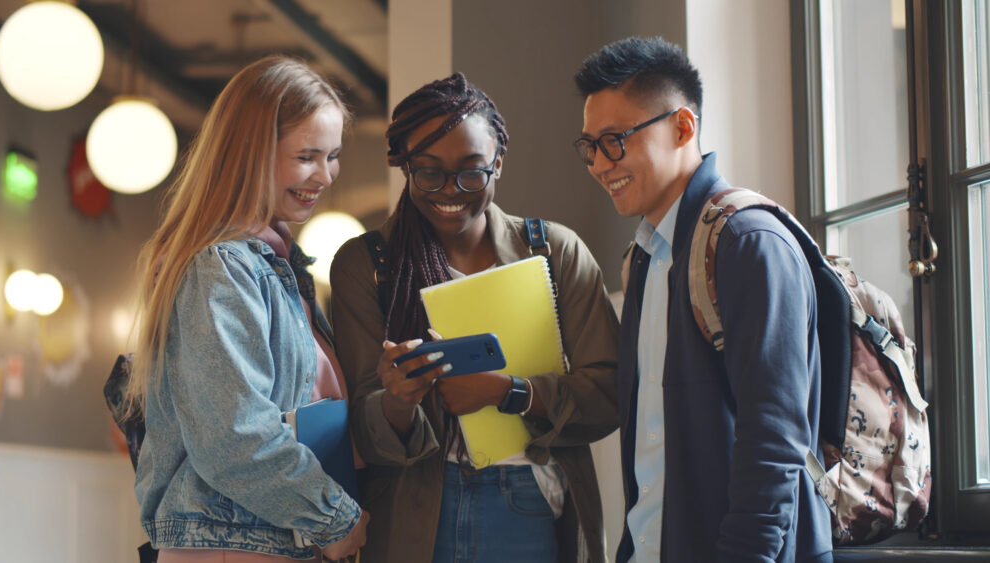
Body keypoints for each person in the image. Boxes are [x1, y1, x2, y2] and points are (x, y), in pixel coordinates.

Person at [329, 73, 619, 563]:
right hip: (414, 512)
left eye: (471, 171)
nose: (450, 190)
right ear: (404, 166)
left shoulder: (554, 252)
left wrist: (510, 391)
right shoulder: (367, 265)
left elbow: (610, 394)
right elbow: (361, 428)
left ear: (498, 163)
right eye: (428, 172)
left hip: (526, 497)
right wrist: (399, 401)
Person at [574, 37, 834, 562]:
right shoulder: (644, 258)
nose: (600, 164)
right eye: (589, 146)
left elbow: (774, 443)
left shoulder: (747, 243)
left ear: (683, 127)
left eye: (614, 141)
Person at [129, 56, 368, 562]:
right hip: (236, 544)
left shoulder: (277, 266)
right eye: (307, 156)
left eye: (334, 155)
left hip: (273, 538)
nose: (325, 176)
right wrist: (335, 517)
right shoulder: (220, 267)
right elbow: (234, 438)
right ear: (251, 154)